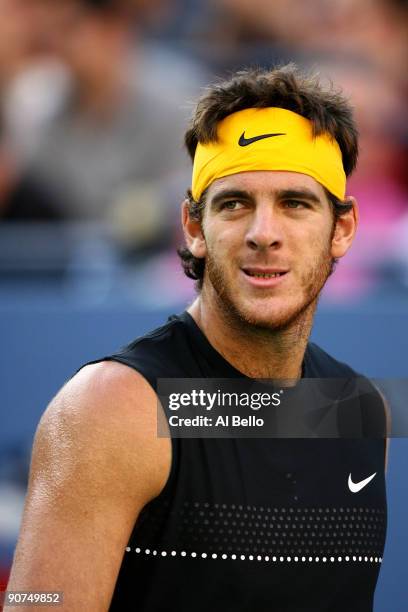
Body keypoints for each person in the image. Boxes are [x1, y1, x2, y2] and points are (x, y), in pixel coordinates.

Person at [6, 64, 388, 611]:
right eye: (234, 204)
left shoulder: (360, 411)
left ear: (343, 229)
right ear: (192, 227)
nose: (263, 234)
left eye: (295, 204)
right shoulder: (113, 409)